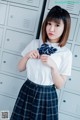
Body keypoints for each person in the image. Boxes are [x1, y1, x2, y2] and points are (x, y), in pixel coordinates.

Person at [10, 5, 72, 120]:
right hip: (27, 89)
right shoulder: (35, 43)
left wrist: (53, 66)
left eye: (57, 25)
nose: (51, 29)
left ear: (65, 28)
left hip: (47, 95)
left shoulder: (66, 53)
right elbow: (20, 68)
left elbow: (59, 85)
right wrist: (28, 55)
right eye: (49, 24)